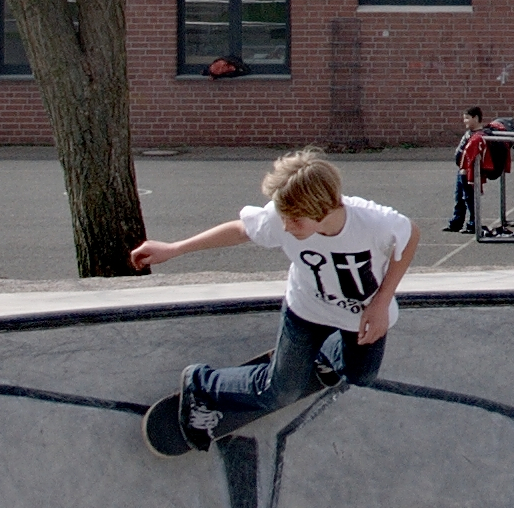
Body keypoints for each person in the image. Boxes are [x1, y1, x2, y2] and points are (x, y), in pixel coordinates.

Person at [126, 149, 417, 455]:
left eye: (295, 221)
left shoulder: (374, 222)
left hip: (357, 315)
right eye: (283, 219)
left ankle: (321, 356)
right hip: (305, 311)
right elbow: (240, 231)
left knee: (361, 375)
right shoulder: (283, 216)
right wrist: (174, 249)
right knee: (281, 393)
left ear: (323, 209)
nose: (286, 228)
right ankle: (202, 385)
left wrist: (382, 301)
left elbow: (410, 236)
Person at [450, 106, 503, 231]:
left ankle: (474, 223)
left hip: (470, 172)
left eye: (467, 118)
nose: (465, 121)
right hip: (461, 170)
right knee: (459, 198)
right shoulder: (468, 133)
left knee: (469, 197)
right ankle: (456, 222)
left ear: (476, 118)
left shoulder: (482, 135)